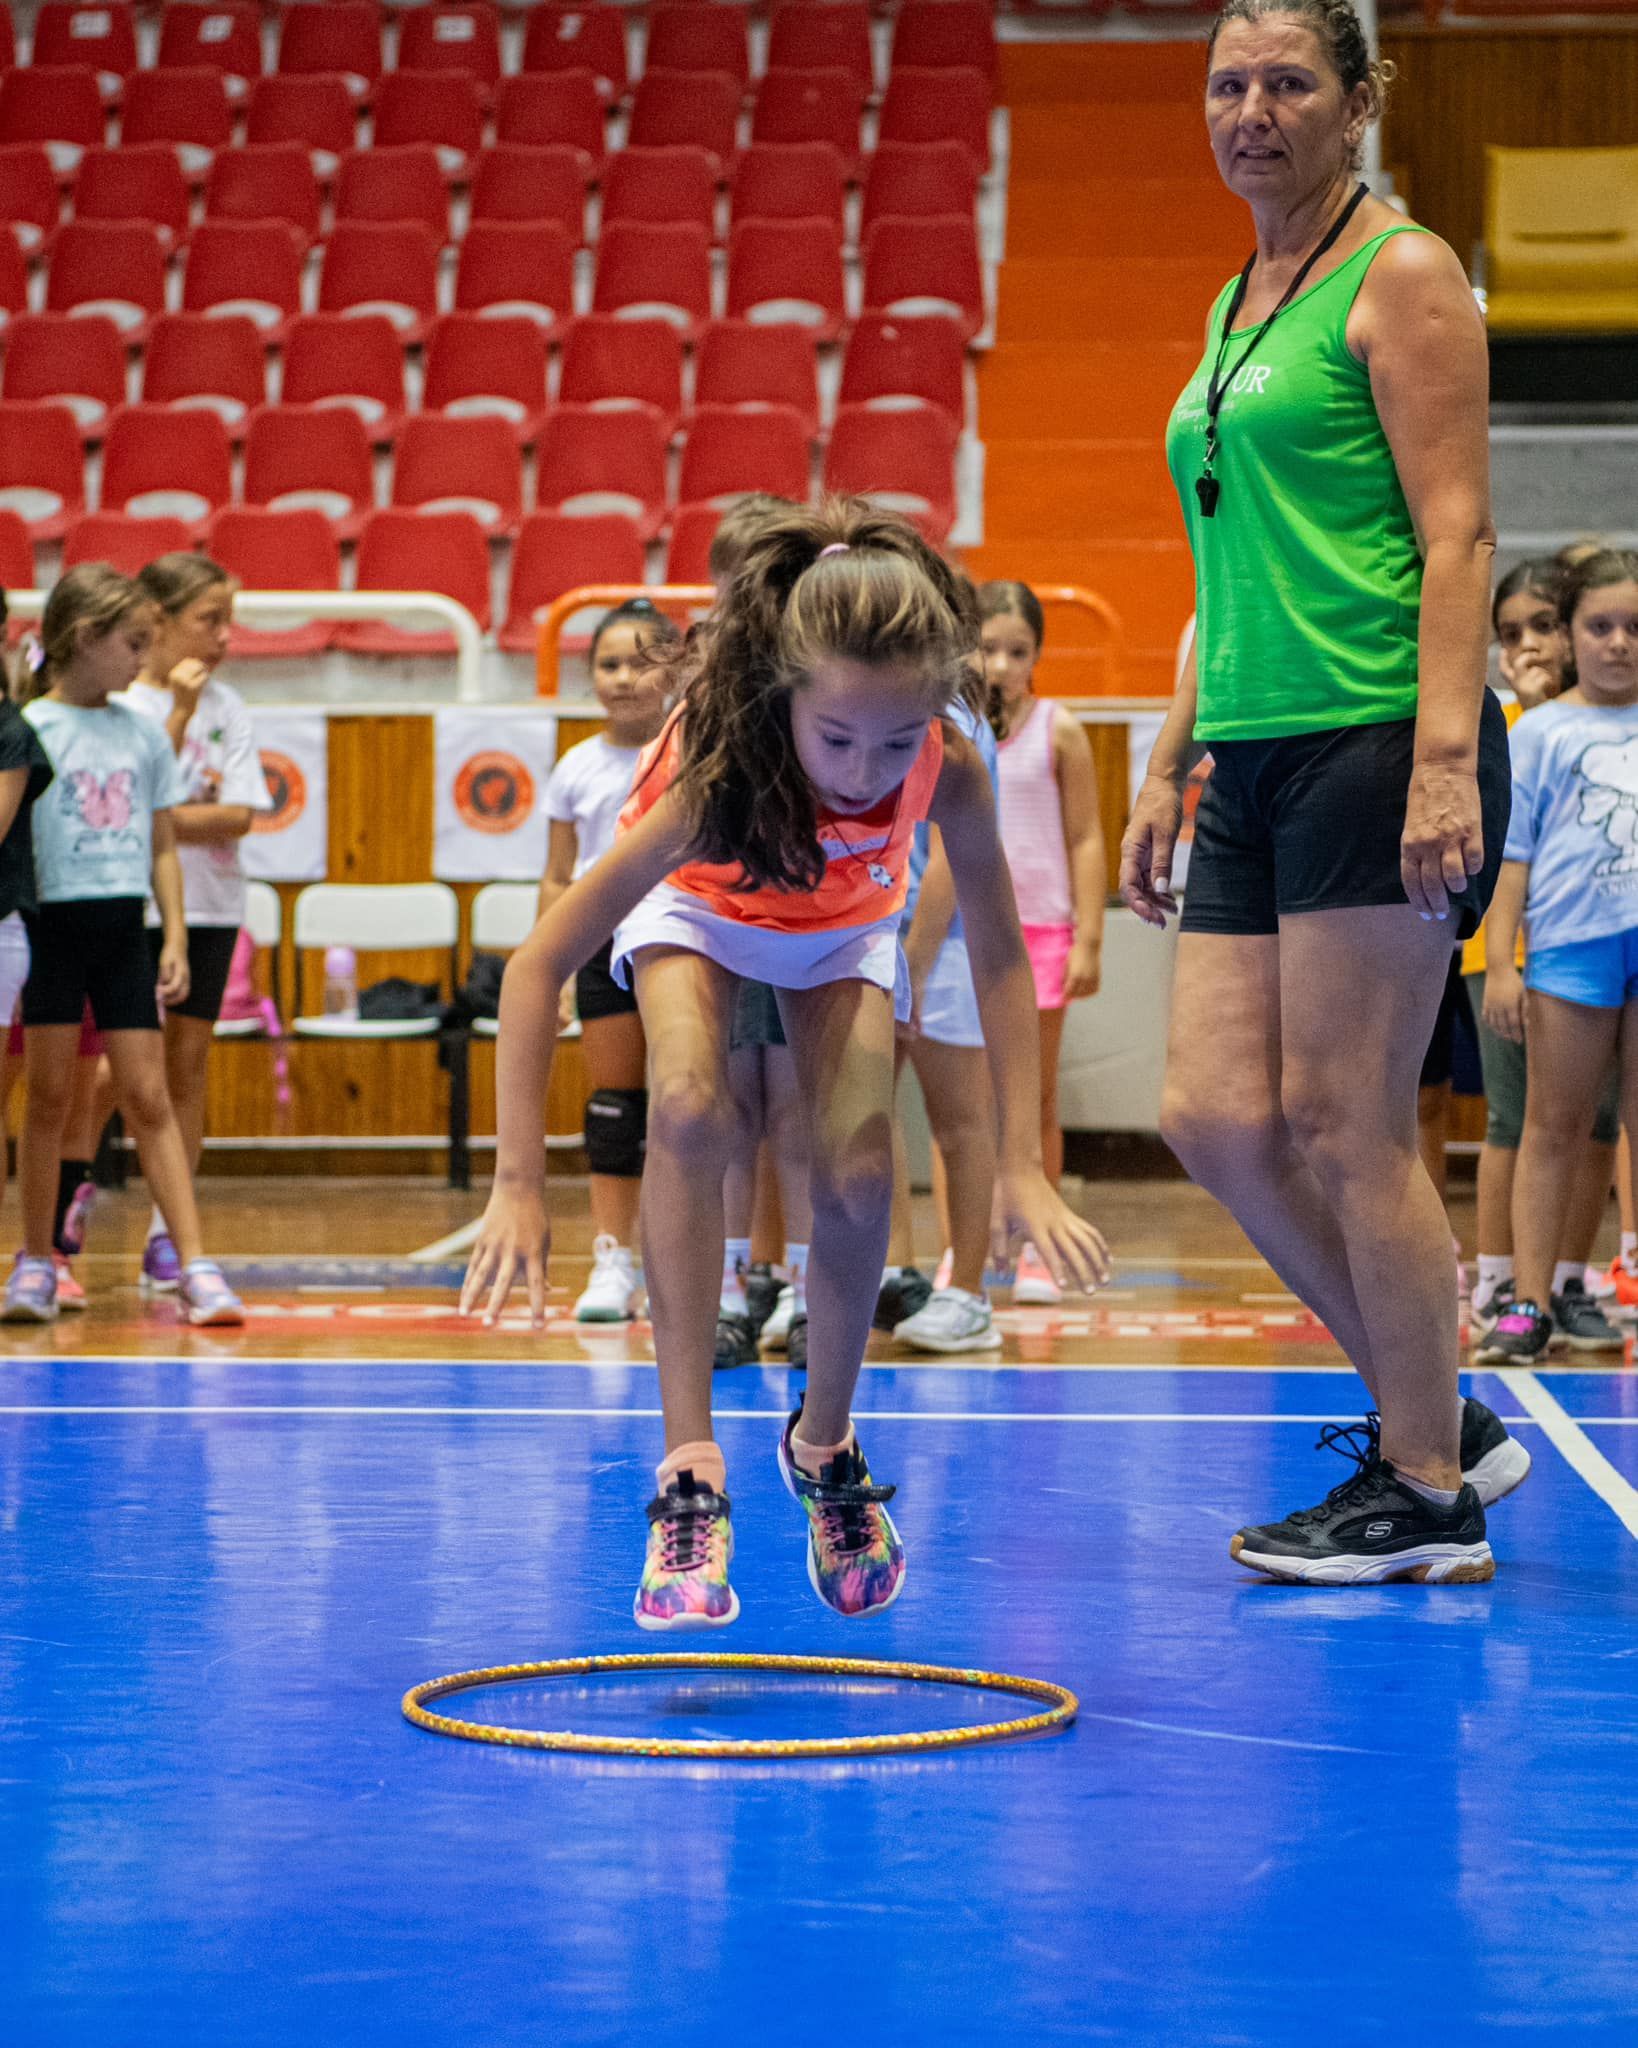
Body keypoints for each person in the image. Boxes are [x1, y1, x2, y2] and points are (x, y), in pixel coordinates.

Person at [461, 501, 1109, 1629]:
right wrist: (519, 1182)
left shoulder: (946, 761)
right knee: (692, 1104)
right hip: (702, 906)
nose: (869, 769)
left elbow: (1002, 952)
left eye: (896, 740)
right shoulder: (712, 776)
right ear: (786, 699)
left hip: (842, 922)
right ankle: (689, 1468)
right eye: (840, 740)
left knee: (859, 1168)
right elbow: (535, 967)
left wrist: (1022, 1162)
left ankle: (824, 1443)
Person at [1123, 0, 1527, 1586]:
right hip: (1253, 744)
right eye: (1226, 84)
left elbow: (1458, 537)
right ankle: (1434, 1413)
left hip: (1377, 733)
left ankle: (1424, 1493)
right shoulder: (1240, 296)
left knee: (1344, 1122)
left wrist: (1443, 759)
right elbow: (1223, 567)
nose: (1251, 111)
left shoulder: (1401, 271)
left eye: (1289, 81)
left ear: (1360, 99)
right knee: (1214, 1117)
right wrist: (1173, 752)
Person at [4, 566, 244, 1326]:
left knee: (149, 1098)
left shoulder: (141, 730)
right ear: (84, 639)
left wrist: (172, 933)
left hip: (120, 935)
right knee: (47, 1101)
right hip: (52, 932)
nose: (143, 658)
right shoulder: (31, 727)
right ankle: (36, 1261)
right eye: (132, 643)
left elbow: (164, 843)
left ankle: (195, 1262)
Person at [1473, 550, 1638, 1364]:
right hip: (1572, 951)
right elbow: (1514, 854)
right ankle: (1528, 1303)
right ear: (1572, 637)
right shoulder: (1540, 731)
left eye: (1634, 627)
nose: (1618, 643)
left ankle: (1586, 1284)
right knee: (1551, 1125)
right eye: (1599, 627)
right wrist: (1502, 963)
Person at [122, 554, 272, 1293]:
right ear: (159, 619)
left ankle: (164, 1234)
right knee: (106, 1070)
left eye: (227, 620)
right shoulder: (122, 703)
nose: (223, 637)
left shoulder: (230, 707)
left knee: (184, 1067)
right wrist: (169, 817)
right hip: (129, 904)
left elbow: (237, 816)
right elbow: (123, 813)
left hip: (212, 906)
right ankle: (70, 1200)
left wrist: (155, 822)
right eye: (208, 620)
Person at [702, 495, 817, 1372]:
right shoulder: (704, 689)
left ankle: (811, 1293)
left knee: (806, 1116)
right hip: (726, 923)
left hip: (816, 926)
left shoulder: (822, 683)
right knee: (735, 1116)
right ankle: (737, 1288)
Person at [539, 598, 678, 1322]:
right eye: (608, 664)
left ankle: (686, 1262)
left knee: (688, 1106)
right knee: (616, 1107)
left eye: (639, 662)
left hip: (680, 937)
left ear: (675, 668)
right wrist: (555, 965)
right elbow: (559, 878)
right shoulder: (576, 766)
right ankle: (612, 1259)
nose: (623, 678)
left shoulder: (690, 751)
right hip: (601, 942)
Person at [886, 601, 1007, 1354]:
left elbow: (949, 866)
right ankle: (892, 1273)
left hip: (943, 948)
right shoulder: (879, 710)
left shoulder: (961, 728)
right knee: (866, 1115)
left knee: (959, 1123)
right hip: (870, 939)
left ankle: (968, 1291)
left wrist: (916, 962)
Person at [982, 580, 1104, 1307]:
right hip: (971, 932)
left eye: (1016, 651)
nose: (1000, 664)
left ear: (1038, 656)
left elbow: (1086, 836)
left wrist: (1089, 935)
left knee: (1037, 1097)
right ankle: (969, 1249)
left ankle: (1037, 1246)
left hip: (1042, 935)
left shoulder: (1060, 729)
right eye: (988, 647)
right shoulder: (949, 727)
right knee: (964, 1103)